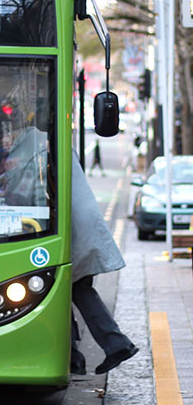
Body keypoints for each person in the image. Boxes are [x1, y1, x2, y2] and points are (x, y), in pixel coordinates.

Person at [71, 149, 138, 374]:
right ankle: (74, 357)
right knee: (67, 289)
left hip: (75, 232)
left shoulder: (38, 147)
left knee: (75, 288)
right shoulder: (49, 144)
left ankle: (116, 345)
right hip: (80, 229)